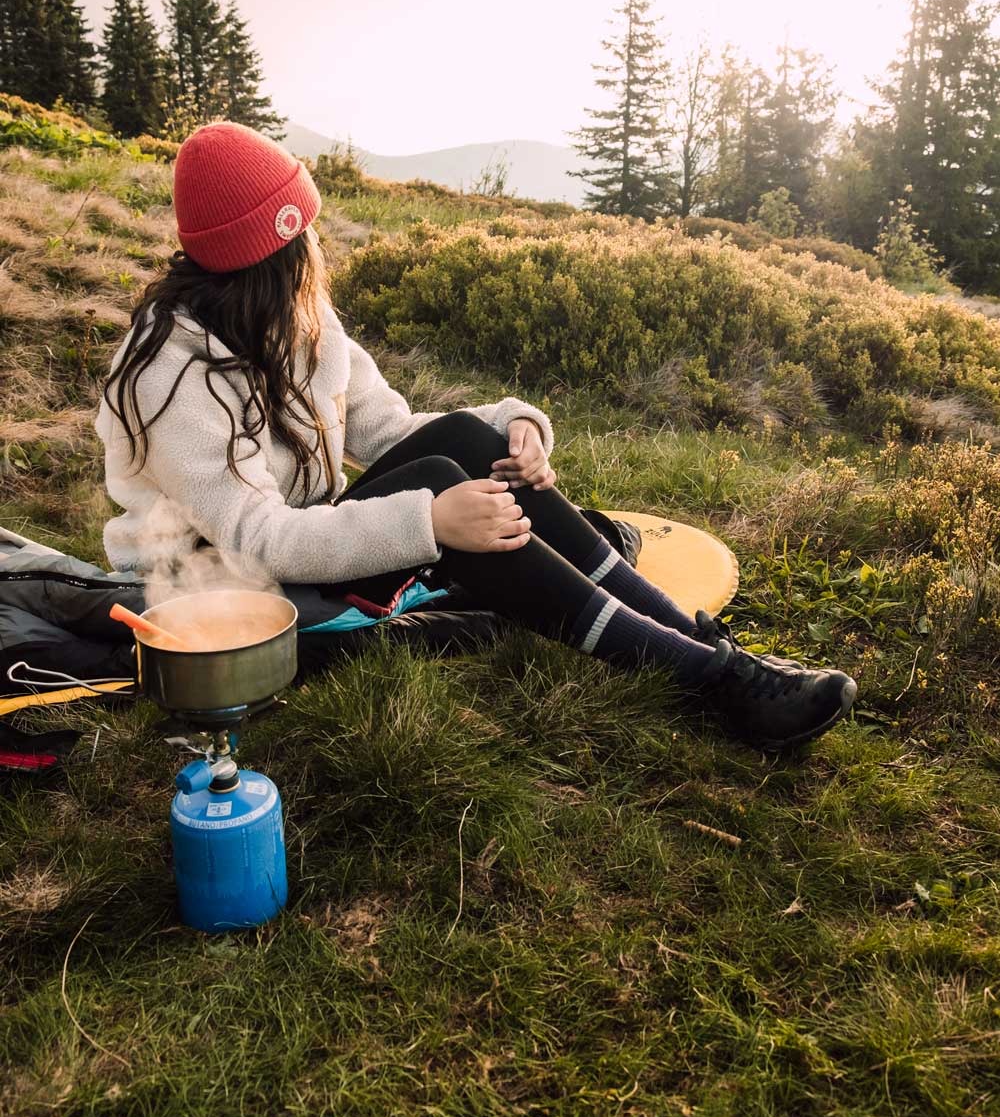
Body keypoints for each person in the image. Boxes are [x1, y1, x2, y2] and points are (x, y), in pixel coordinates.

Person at [95, 122, 857, 751]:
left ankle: (706, 646)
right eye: (303, 243)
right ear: (269, 259)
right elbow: (260, 541)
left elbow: (388, 428)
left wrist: (511, 427)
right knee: (440, 495)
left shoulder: (292, 316)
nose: (315, 256)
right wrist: (428, 521)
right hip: (225, 601)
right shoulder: (170, 375)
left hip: (305, 549)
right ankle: (711, 684)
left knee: (463, 440)